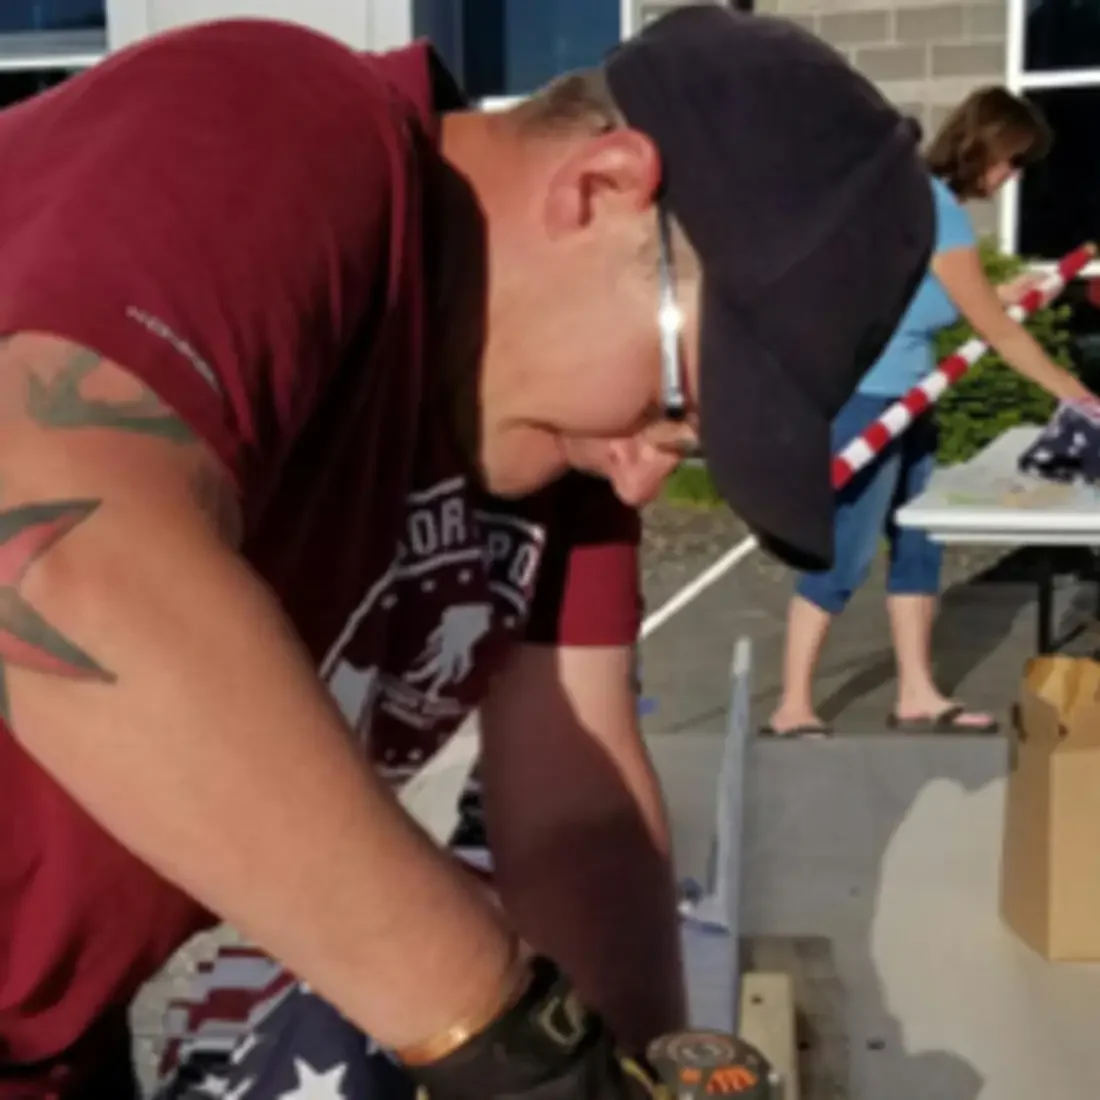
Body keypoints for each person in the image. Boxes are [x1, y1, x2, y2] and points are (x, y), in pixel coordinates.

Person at [0, 8, 934, 1099]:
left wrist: (633, 1068)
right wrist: (512, 1040)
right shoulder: (270, 122)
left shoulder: (556, 442)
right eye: (678, 406)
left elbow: (578, 813)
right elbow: (62, 549)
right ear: (600, 187)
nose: (638, 478)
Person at [765, 86, 1095, 739]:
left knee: (919, 546)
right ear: (987, 149)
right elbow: (997, 334)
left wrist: (1000, 291)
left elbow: (929, 297)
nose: (1013, 177)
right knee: (846, 553)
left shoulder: (923, 205)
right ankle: (792, 705)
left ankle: (917, 692)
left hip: (913, 399)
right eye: (1015, 161)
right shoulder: (939, 211)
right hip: (871, 404)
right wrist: (1075, 394)